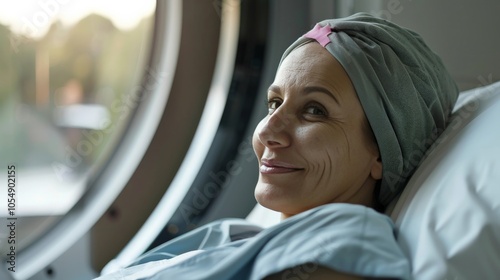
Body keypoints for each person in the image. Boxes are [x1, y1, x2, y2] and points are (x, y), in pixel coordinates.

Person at [96, 13, 458, 280]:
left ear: (382, 150)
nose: (269, 129)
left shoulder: (348, 238)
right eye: (274, 103)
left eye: (314, 110)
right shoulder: (231, 234)